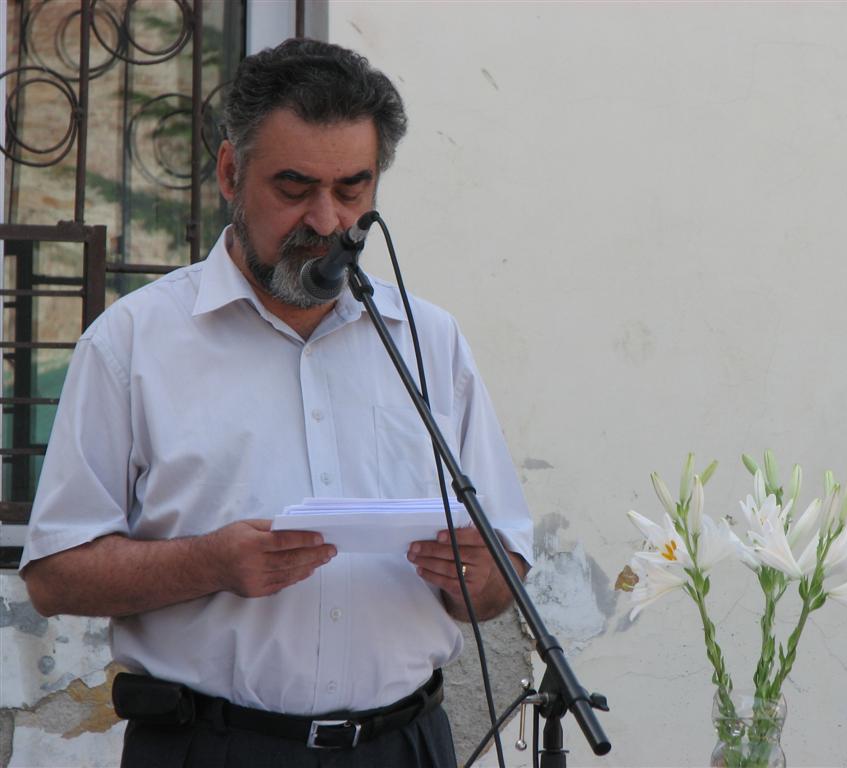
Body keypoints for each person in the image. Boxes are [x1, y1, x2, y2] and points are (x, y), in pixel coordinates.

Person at [19, 38, 532, 768]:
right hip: (212, 747)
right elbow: (54, 574)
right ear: (231, 172)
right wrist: (210, 564)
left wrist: (477, 578)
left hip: (404, 746)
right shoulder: (131, 343)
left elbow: (501, 576)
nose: (325, 220)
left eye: (351, 190)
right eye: (294, 188)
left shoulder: (429, 341)